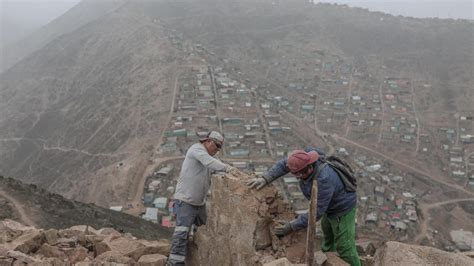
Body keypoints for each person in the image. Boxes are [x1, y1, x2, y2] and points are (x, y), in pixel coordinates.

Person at [246, 148, 360, 266]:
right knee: (328, 233)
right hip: (329, 207)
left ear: (309, 168)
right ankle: (329, 259)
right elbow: (283, 165)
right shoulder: (302, 159)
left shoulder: (324, 179)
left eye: (300, 175)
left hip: (342, 208)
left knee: (345, 246)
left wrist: (292, 226)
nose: (297, 177)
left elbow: (316, 212)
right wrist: (265, 178)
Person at [168, 131, 238, 265]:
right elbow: (211, 163)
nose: (217, 150)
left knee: (203, 232)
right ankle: (174, 263)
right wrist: (229, 169)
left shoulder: (206, 155)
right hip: (186, 201)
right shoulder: (197, 150)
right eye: (216, 146)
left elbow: (217, 165)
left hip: (199, 204)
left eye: (219, 148)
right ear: (208, 141)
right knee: (181, 234)